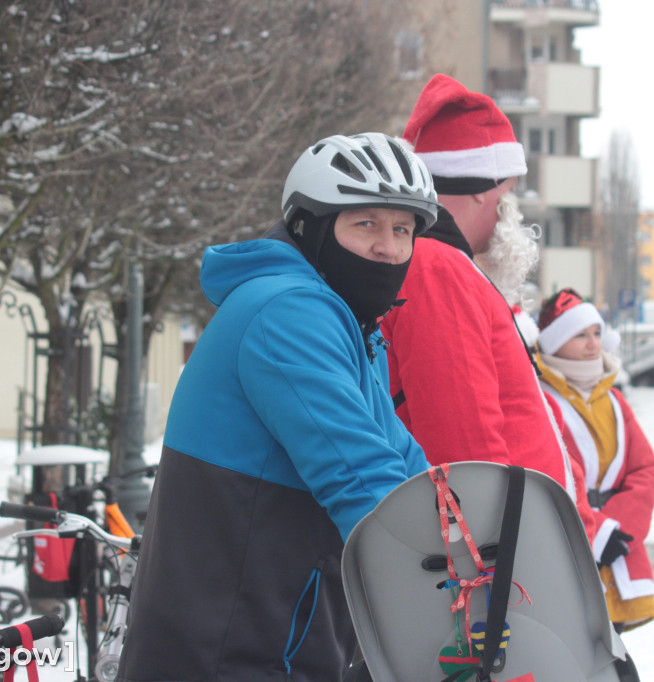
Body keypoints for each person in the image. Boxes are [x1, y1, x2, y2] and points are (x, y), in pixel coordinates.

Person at [116, 133, 439, 682]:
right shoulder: (289, 312)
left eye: (402, 229)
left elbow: (405, 468)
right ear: (311, 229)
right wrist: (443, 577)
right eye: (366, 224)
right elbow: (363, 481)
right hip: (229, 651)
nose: (389, 247)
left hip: (276, 639)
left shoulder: (351, 327)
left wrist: (473, 535)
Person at [382, 73, 596, 538]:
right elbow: (464, 440)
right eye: (508, 188)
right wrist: (498, 555)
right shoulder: (438, 268)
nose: (510, 204)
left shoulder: (439, 263)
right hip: (508, 554)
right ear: (481, 186)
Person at [535, 287, 654, 631]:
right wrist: (594, 532)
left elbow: (644, 469)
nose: (592, 343)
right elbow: (546, 475)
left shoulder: (615, 400)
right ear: (552, 342)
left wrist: (617, 528)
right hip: (567, 541)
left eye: (596, 333)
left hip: (618, 546)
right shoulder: (537, 398)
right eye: (579, 335)